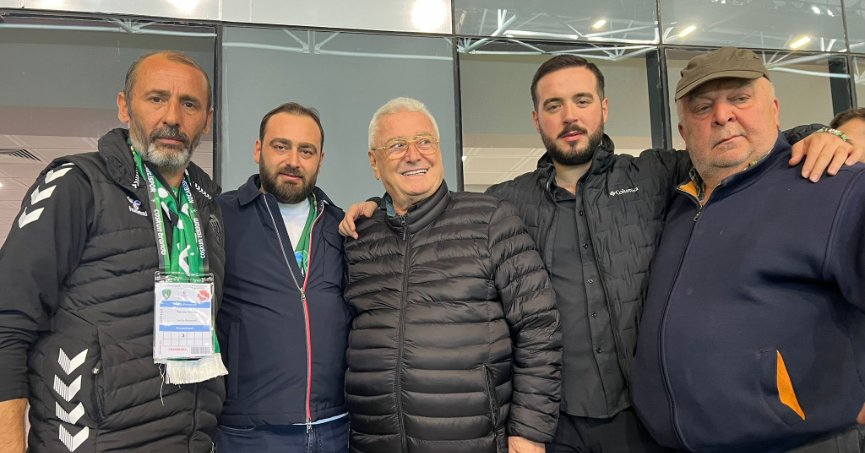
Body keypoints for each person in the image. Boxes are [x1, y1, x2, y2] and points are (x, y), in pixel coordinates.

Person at [340, 55, 861, 453]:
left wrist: (819, 134)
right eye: (554, 106)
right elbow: (439, 211)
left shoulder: (656, 174)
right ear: (537, 119)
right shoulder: (505, 201)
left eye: (582, 101)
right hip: (558, 423)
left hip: (646, 421)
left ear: (604, 109)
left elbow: (734, 148)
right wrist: (380, 206)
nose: (570, 116)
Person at [632, 46, 865, 452]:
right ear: (684, 131)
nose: (722, 115)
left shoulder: (833, 184)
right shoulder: (678, 204)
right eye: (703, 107)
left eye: (739, 98)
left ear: (774, 109)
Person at [0, 51, 226, 452]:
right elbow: (7, 322)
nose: (172, 117)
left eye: (189, 104)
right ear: (125, 106)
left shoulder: (207, 208)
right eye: (156, 98)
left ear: (207, 119)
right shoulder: (76, 184)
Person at [343, 97, 561, 453]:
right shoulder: (358, 238)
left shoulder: (491, 220)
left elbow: (539, 328)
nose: (414, 155)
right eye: (396, 145)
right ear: (374, 162)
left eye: (424, 141)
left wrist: (530, 432)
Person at [215, 102, 351, 452]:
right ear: (258, 150)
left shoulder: (342, 226)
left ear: (320, 160)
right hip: (249, 431)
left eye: (306, 151)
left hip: (334, 428)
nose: (293, 160)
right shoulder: (219, 217)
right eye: (281, 146)